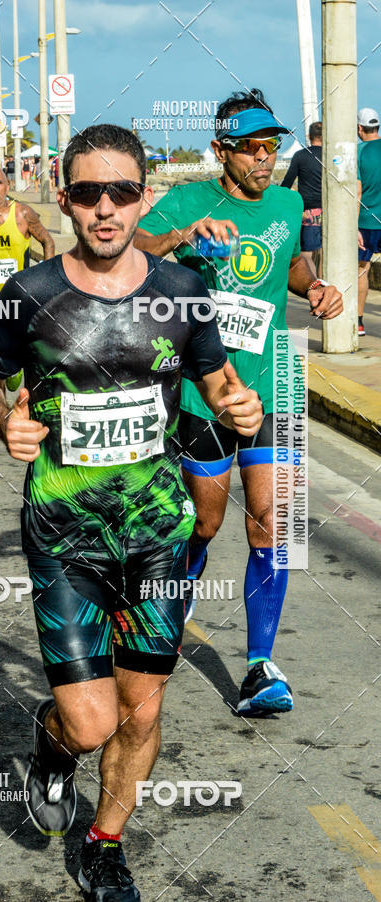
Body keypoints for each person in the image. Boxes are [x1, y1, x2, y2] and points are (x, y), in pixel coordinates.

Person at [0, 123, 262, 902]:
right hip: (65, 533)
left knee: (141, 709)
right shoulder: (27, 296)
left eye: (122, 192)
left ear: (143, 199)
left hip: (157, 532)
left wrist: (240, 407)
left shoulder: (181, 292)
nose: (106, 207)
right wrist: (6, 424)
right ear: (63, 200)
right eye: (89, 193)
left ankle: (104, 844)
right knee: (92, 723)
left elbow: (218, 378)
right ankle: (54, 741)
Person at [135, 89, 343, 716]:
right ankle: (176, 591)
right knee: (203, 522)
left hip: (275, 377)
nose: (264, 159)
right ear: (221, 149)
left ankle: (259, 668)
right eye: (251, 148)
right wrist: (182, 235)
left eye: (271, 147)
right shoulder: (189, 199)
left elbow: (292, 268)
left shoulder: (285, 201)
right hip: (206, 388)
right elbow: (130, 255)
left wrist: (318, 288)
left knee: (273, 527)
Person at [0, 164, 54, 340]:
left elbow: (48, 242)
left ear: (7, 186)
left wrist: (47, 280)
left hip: (20, 297)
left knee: (21, 352)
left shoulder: (22, 213)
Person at [281, 120, 322, 277]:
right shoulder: (332, 155)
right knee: (325, 254)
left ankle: (315, 289)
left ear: (309, 136)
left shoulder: (300, 156)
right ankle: (325, 286)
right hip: (330, 211)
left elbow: (287, 184)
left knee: (306, 255)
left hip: (309, 213)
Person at [357, 107, 381, 337]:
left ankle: (359, 322)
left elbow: (357, 190)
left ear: (359, 128)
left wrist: (352, 224)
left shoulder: (359, 151)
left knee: (361, 271)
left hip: (365, 222)